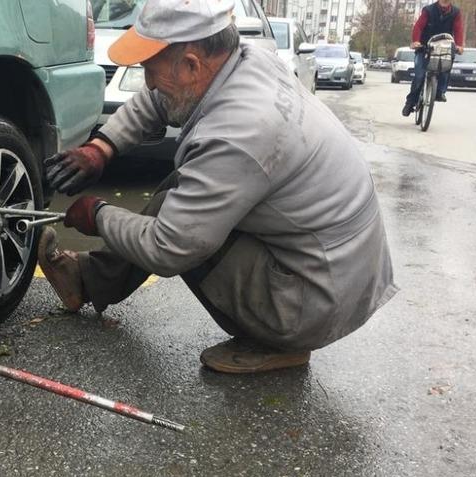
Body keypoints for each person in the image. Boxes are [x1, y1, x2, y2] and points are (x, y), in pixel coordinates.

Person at [39, 0, 397, 374]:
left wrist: (98, 215)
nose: (148, 82)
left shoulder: (238, 134)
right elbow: (157, 101)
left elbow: (169, 247)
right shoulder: (248, 61)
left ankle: (279, 342)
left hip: (313, 302)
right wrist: (101, 148)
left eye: (150, 70)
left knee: (184, 227)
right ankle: (86, 280)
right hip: (336, 271)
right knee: (180, 196)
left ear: (192, 65)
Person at [402, 0, 464, 116]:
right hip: (425, 47)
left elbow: (458, 29)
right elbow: (418, 27)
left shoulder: (456, 12)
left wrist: (459, 45)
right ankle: (410, 102)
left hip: (444, 48)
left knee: (446, 68)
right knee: (419, 76)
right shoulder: (428, 10)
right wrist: (416, 41)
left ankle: (440, 92)